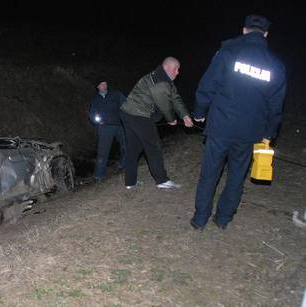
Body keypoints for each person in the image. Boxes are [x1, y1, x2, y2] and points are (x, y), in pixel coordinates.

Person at [190, 14, 286, 230]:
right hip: (248, 132)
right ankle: (223, 219)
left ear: (244, 30)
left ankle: (200, 219)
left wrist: (199, 113)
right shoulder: (276, 66)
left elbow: (207, 86)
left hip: (221, 127)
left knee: (209, 174)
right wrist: (269, 133)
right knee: (236, 176)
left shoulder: (228, 52)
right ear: (266, 35)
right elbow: (275, 106)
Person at [120, 57, 194, 189]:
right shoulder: (159, 82)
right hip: (138, 114)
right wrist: (171, 119)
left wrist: (185, 115)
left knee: (134, 148)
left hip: (127, 112)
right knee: (154, 146)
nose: (178, 72)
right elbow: (165, 105)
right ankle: (162, 180)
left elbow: (175, 97)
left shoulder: (164, 78)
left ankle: (130, 182)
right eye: (176, 69)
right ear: (166, 68)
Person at [88, 78, 126, 183]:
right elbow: (92, 114)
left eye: (105, 84)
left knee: (126, 145)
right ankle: (98, 176)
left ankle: (123, 164)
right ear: (98, 87)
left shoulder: (116, 94)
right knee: (102, 153)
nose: (104, 86)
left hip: (119, 125)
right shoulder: (95, 100)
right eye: (102, 85)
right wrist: (97, 120)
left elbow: (126, 103)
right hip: (104, 128)